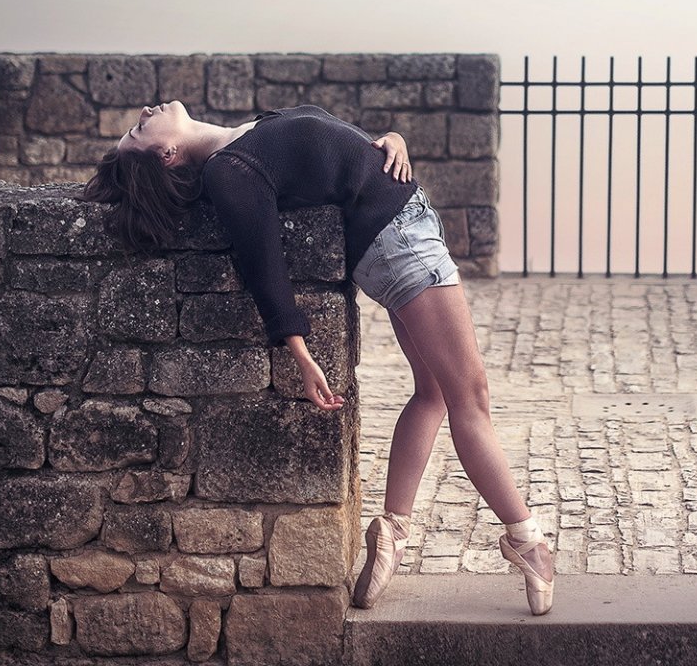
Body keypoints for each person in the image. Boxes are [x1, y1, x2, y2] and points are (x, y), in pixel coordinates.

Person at [82, 100, 554, 615]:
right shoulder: (229, 171)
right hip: (400, 243)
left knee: (435, 392)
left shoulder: (247, 134)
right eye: (138, 128)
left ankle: (393, 530)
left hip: (402, 232)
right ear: (168, 154)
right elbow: (264, 263)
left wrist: (390, 139)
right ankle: (526, 541)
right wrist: (300, 355)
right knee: (472, 397)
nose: (146, 110)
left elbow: (336, 143)